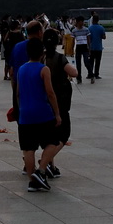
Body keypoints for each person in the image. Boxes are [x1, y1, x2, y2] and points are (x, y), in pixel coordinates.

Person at [17, 37, 61, 192]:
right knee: (52, 142)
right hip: (42, 113)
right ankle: (41, 170)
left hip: (25, 115)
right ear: (42, 53)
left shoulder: (21, 69)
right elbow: (50, 92)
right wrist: (57, 113)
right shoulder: (44, 69)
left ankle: (32, 181)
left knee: (28, 149)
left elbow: (18, 93)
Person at [42, 28, 78, 179]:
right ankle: (44, 162)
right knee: (63, 135)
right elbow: (74, 72)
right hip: (60, 102)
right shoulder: (59, 58)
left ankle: (52, 165)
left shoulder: (41, 58)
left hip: (44, 102)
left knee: (51, 136)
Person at [70, 17, 91, 84]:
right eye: (82, 21)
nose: (83, 23)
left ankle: (91, 74)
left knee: (86, 62)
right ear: (78, 22)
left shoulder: (86, 30)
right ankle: (79, 78)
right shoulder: (74, 31)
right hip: (78, 47)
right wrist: (72, 50)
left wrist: (89, 48)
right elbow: (73, 41)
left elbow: (88, 40)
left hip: (85, 47)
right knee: (78, 64)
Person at [88, 15, 106, 82]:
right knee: (97, 62)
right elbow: (104, 37)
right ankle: (96, 74)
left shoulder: (89, 28)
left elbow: (88, 38)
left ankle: (90, 74)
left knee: (91, 62)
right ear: (98, 20)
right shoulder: (101, 28)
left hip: (92, 47)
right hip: (99, 47)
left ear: (92, 20)